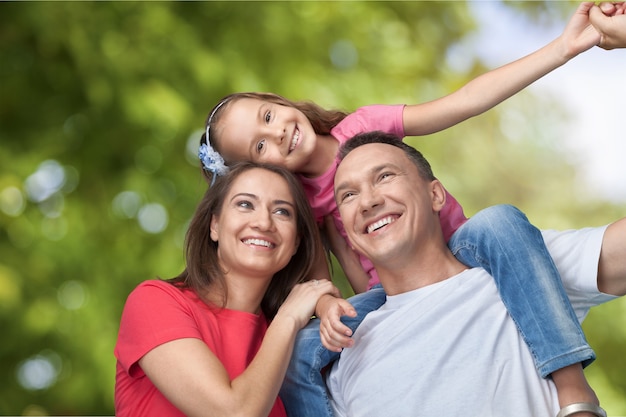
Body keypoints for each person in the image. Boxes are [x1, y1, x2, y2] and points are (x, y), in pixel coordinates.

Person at [198, 2, 626, 415]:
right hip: (385, 294)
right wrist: (332, 310)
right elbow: (324, 280)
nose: (277, 136)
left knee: (499, 223)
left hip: (460, 247)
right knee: (301, 352)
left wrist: (564, 48)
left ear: (280, 102)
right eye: (260, 147)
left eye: (269, 117)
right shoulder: (302, 204)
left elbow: (464, 101)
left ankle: (572, 384)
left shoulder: (364, 127)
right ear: (260, 169)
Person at [326, 131, 618, 417]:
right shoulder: (347, 356)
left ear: (436, 195)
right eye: (349, 195)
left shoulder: (519, 267)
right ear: (349, 235)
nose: (367, 202)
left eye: (385, 176)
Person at [114, 162, 338, 417]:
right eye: (245, 204)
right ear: (215, 225)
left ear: (297, 241)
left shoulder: (295, 344)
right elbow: (233, 413)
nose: (264, 222)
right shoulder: (154, 302)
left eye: (282, 212)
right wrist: (288, 317)